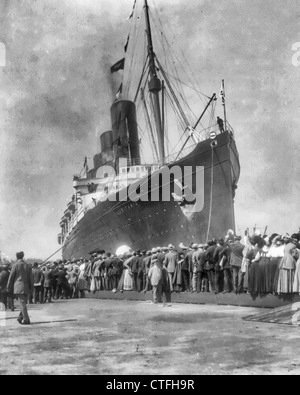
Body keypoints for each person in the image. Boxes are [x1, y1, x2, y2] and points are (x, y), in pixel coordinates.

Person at [7, 251, 34, 325]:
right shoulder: (28, 266)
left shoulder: (15, 265)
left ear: (16, 257)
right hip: (26, 287)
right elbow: (31, 278)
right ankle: (20, 317)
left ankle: (26, 319)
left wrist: (8, 287)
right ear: (23, 256)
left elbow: (11, 277)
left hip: (18, 287)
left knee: (22, 304)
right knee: (24, 303)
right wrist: (32, 288)